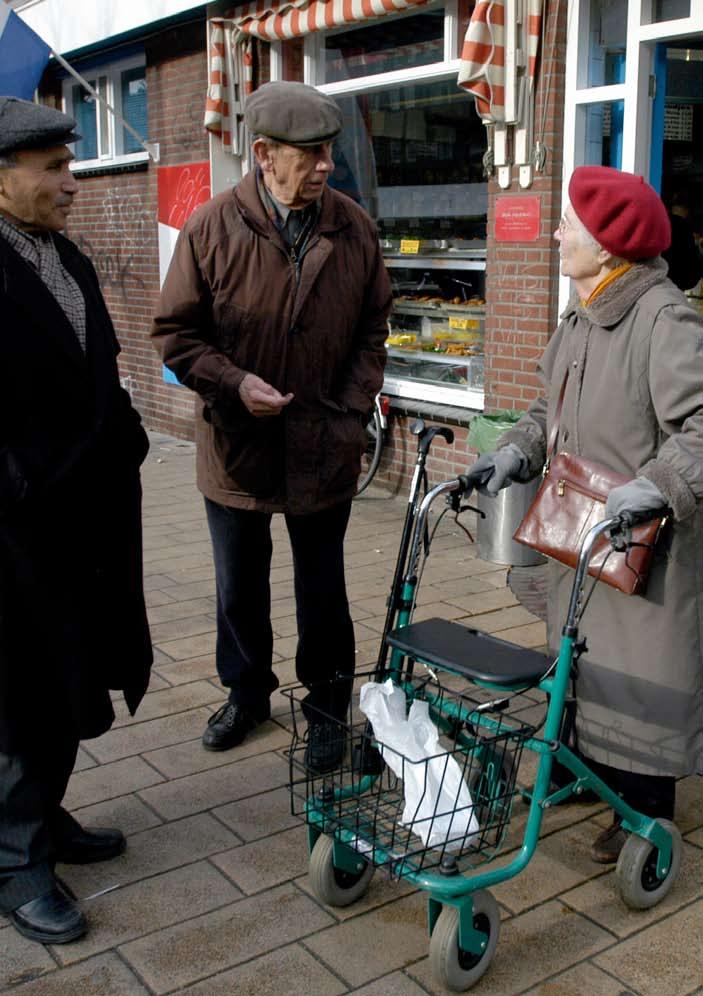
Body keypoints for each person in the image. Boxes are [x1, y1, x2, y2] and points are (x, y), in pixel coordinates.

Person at [151, 81, 391, 772]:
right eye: (309, 153)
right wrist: (233, 383)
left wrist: (349, 408)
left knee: (324, 587)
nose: (324, 165)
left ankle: (325, 709)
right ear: (262, 154)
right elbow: (177, 335)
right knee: (239, 584)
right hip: (237, 445)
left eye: (328, 152)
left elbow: (373, 330)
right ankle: (246, 692)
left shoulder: (353, 227)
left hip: (325, 444)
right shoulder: (210, 228)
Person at [466, 166, 703, 864]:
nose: (557, 231)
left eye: (570, 222)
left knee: (641, 670)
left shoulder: (661, 316)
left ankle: (645, 812)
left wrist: (658, 483)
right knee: (578, 654)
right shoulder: (583, 308)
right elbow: (548, 407)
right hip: (581, 526)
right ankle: (583, 773)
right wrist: (514, 450)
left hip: (645, 539)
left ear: (604, 245)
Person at [0, 97, 152, 944]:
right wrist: (17, 489)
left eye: (70, 163)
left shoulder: (65, 256)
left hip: (85, 521)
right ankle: (15, 861)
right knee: (21, 694)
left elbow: (101, 367)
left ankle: (45, 818)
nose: (72, 182)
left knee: (68, 674)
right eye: (54, 168)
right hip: (19, 533)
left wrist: (125, 436)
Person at [661, 188, 703, 292]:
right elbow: (691, 275)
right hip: (675, 287)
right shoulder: (682, 226)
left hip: (659, 283)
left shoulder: (659, 223)